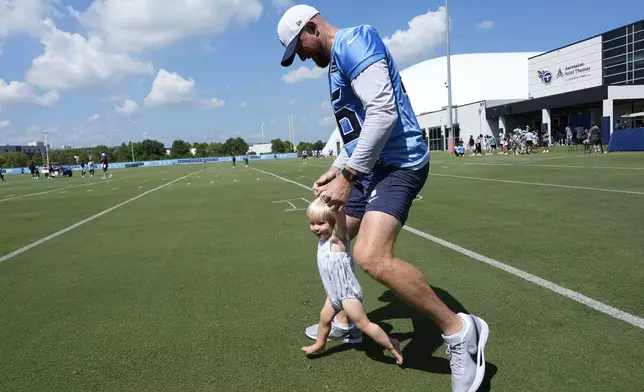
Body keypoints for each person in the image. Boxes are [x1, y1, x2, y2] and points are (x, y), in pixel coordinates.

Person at [278, 5, 489, 391]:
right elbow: (358, 130)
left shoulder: (355, 41)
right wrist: (339, 164)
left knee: (371, 257)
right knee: (333, 240)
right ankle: (345, 321)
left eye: (300, 47)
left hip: (399, 162)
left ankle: (460, 332)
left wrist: (349, 175)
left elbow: (383, 113)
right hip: (371, 163)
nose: (303, 57)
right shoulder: (338, 65)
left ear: (311, 27)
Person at [303, 198, 403, 365]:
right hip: (333, 293)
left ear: (333, 223)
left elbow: (341, 223)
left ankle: (392, 344)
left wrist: (337, 207)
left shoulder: (338, 239)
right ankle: (320, 344)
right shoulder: (322, 242)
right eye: (312, 223)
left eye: (321, 223)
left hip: (347, 293)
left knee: (364, 325)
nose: (316, 228)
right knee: (324, 319)